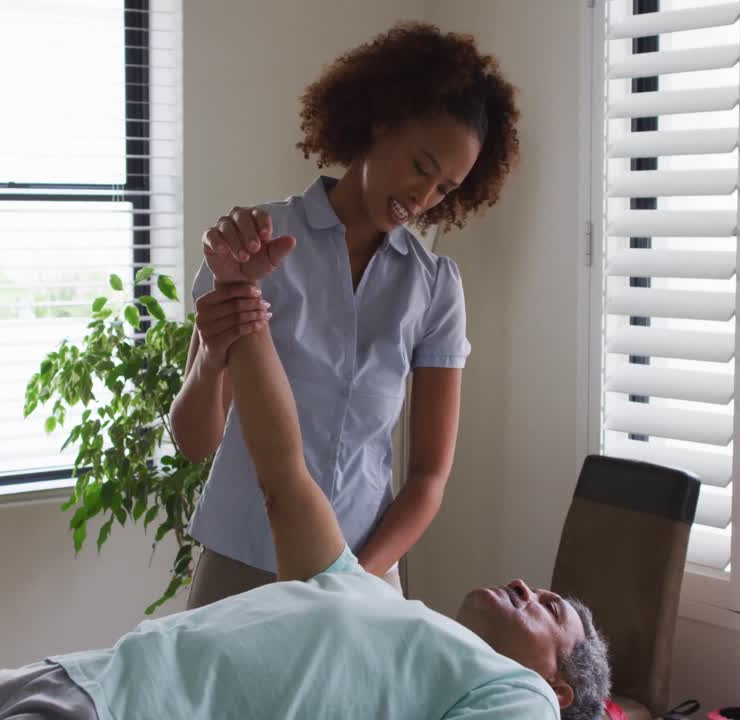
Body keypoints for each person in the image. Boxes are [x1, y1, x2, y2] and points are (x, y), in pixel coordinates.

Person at [0, 252, 611, 720]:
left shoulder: (520, 696)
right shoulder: (366, 592)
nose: (525, 583)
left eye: (551, 609)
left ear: (561, 685)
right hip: (72, 679)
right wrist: (242, 299)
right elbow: (283, 476)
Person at [170, 21, 521, 607]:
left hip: (363, 574)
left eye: (445, 188)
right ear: (382, 121)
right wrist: (210, 357)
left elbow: (430, 477)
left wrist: (354, 577)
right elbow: (193, 441)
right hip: (240, 566)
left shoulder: (434, 287)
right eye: (420, 165)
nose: (423, 197)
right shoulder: (256, 243)